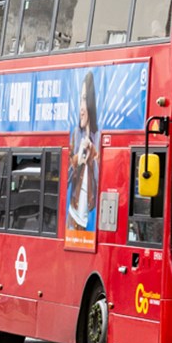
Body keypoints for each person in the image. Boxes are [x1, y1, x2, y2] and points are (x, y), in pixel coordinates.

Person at [67, 72, 100, 231]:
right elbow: (63, 179)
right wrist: (78, 158)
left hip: (89, 224)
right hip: (72, 218)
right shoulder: (75, 135)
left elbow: (103, 182)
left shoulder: (99, 138)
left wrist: (92, 154)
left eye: (85, 99)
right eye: (80, 98)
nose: (81, 107)